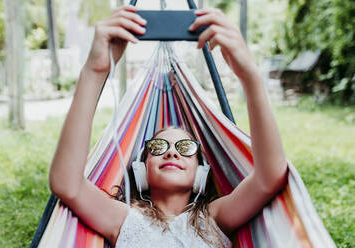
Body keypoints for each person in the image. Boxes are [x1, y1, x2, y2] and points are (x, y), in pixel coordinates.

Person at [49, 5, 288, 248]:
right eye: (158, 146)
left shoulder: (216, 217)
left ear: (201, 172)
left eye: (185, 147)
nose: (171, 152)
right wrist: (94, 71)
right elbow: (66, 183)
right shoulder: (122, 219)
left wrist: (250, 75)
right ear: (142, 168)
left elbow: (270, 176)